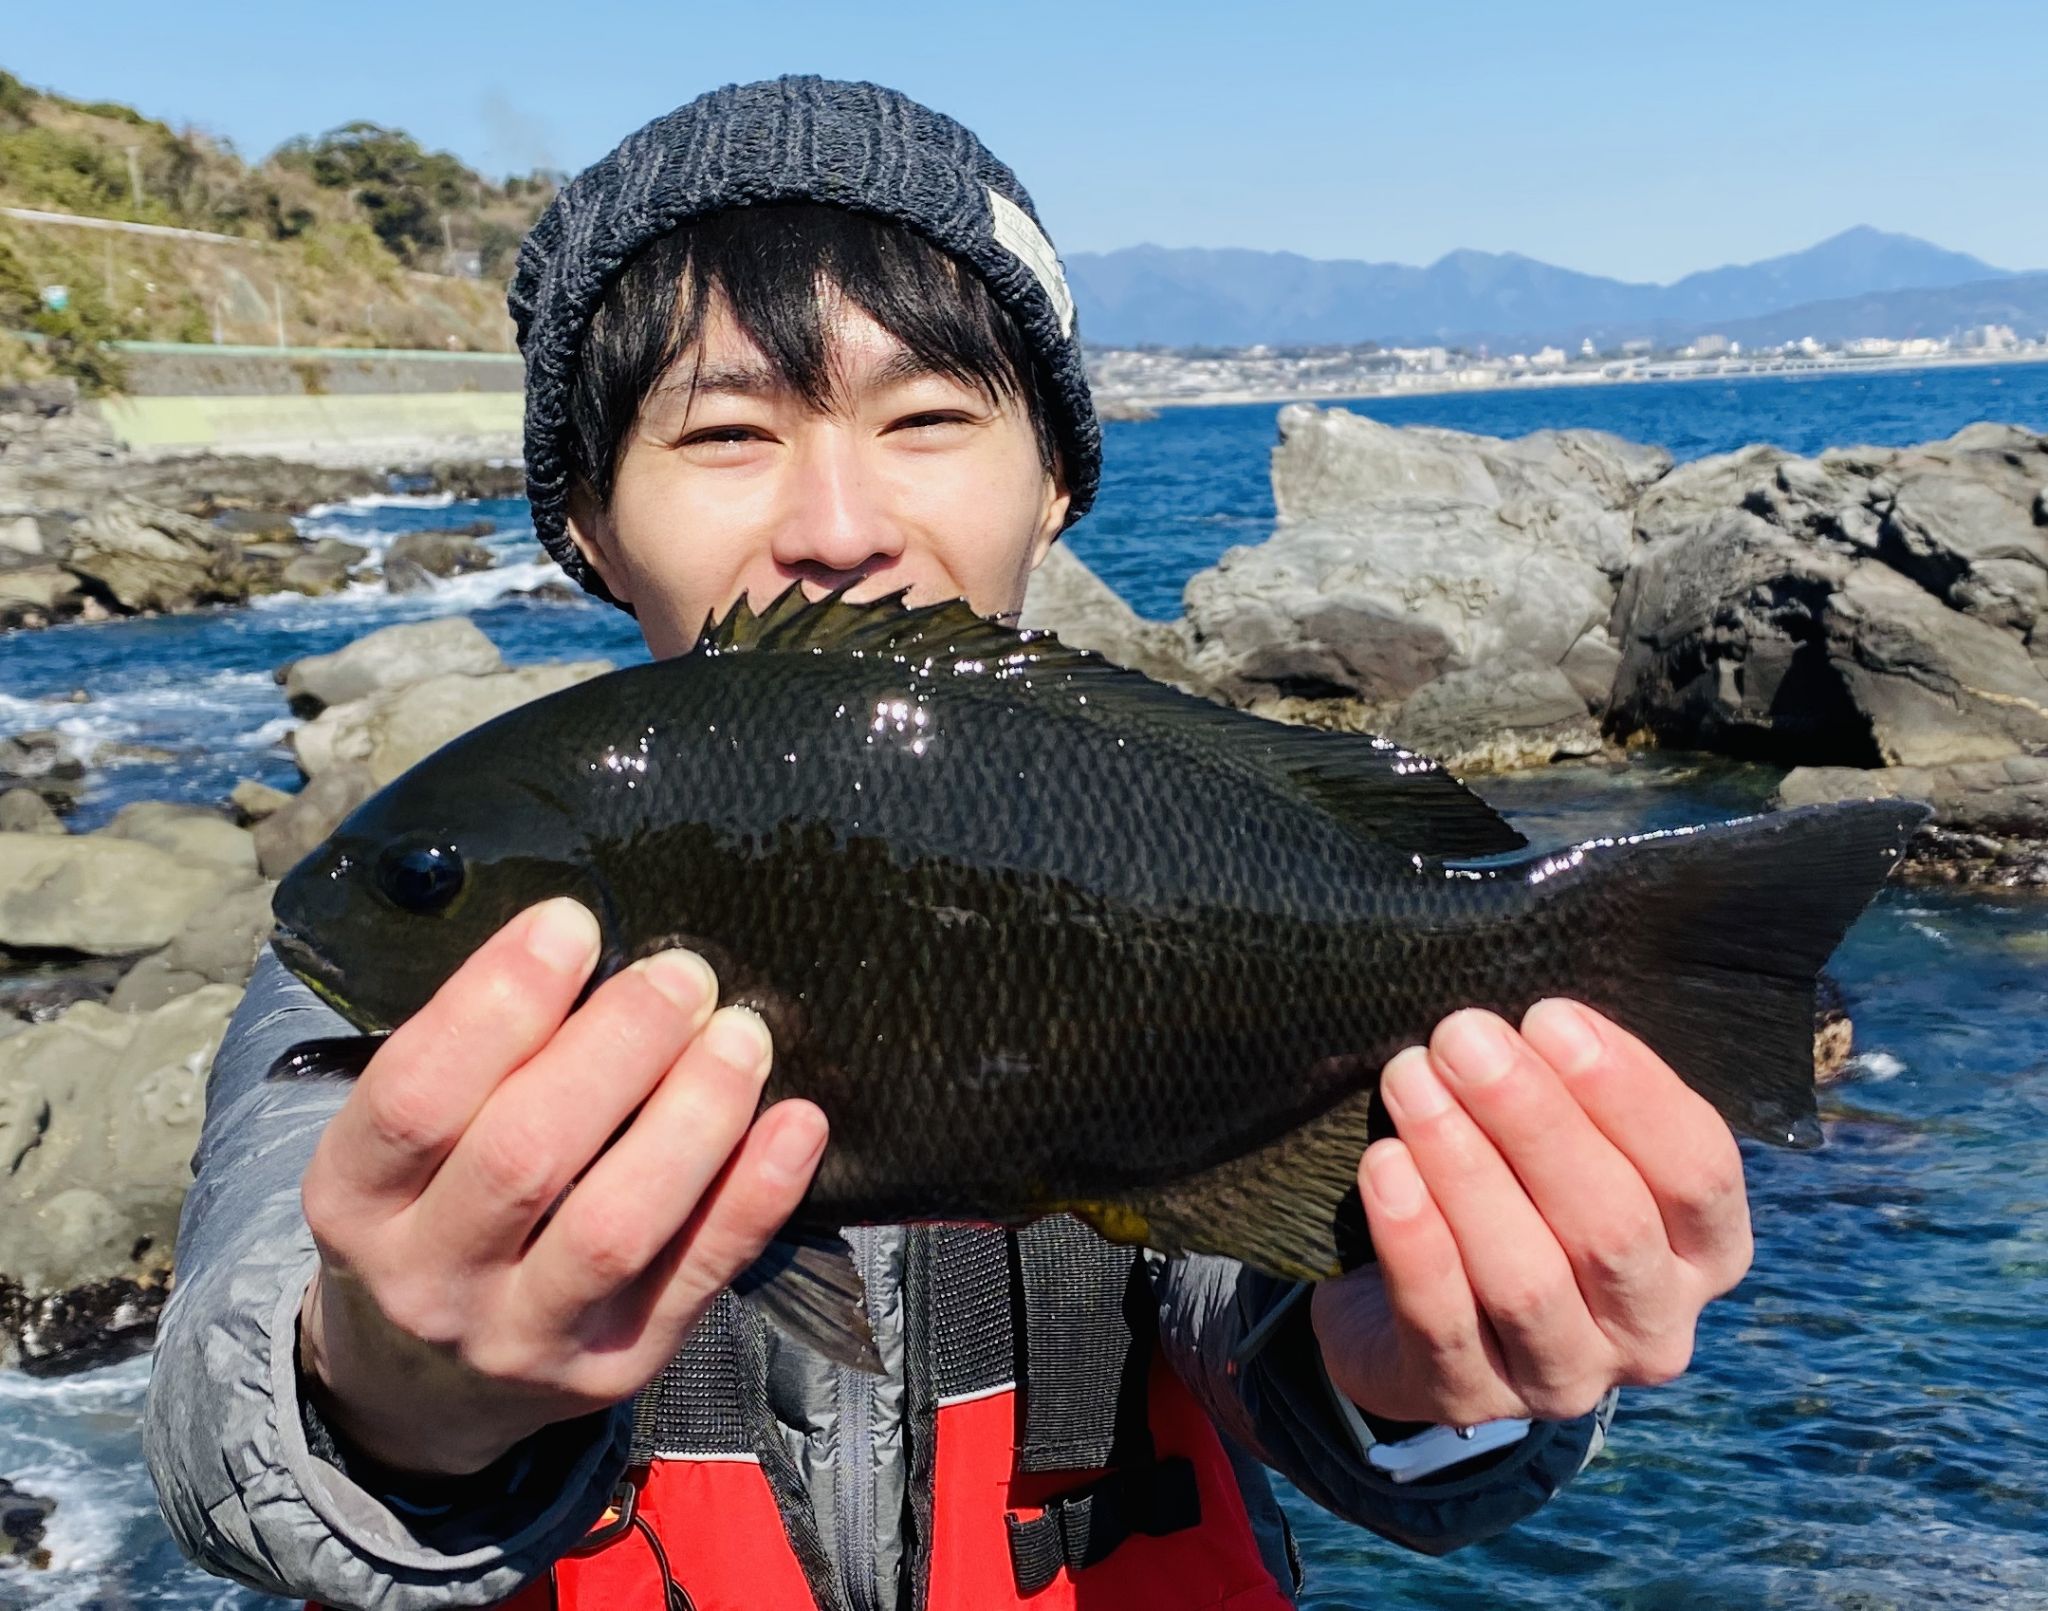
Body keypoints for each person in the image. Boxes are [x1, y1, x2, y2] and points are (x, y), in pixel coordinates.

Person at [145, 77, 1753, 1611]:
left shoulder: (1155, 801)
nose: (837, 524)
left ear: (1055, 479)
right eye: (724, 436)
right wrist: (391, 1387)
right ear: (581, 515)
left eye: (924, 415)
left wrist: (1424, 1361)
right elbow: (242, 1380)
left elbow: (1268, 1318)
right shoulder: (385, 988)